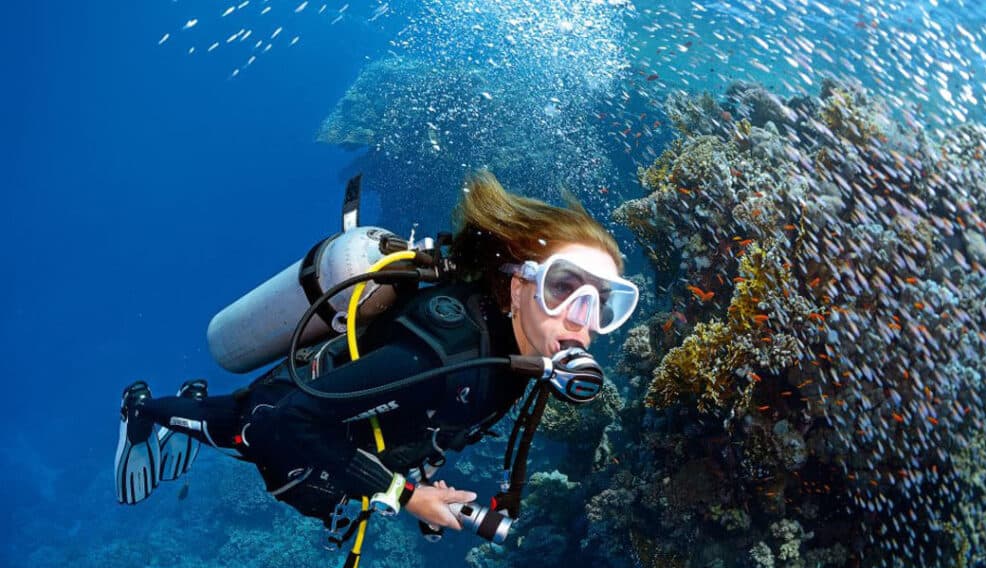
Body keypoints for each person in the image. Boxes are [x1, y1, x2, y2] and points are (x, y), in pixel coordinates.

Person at [114, 171, 638, 536]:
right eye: (564, 287)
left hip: (341, 424)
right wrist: (407, 497)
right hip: (286, 415)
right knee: (239, 429)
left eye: (606, 305)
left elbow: (423, 414)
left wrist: (422, 478)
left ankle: (193, 402)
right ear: (518, 287)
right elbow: (290, 422)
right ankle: (144, 410)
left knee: (237, 417)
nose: (582, 319)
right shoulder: (449, 357)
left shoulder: (517, 353)